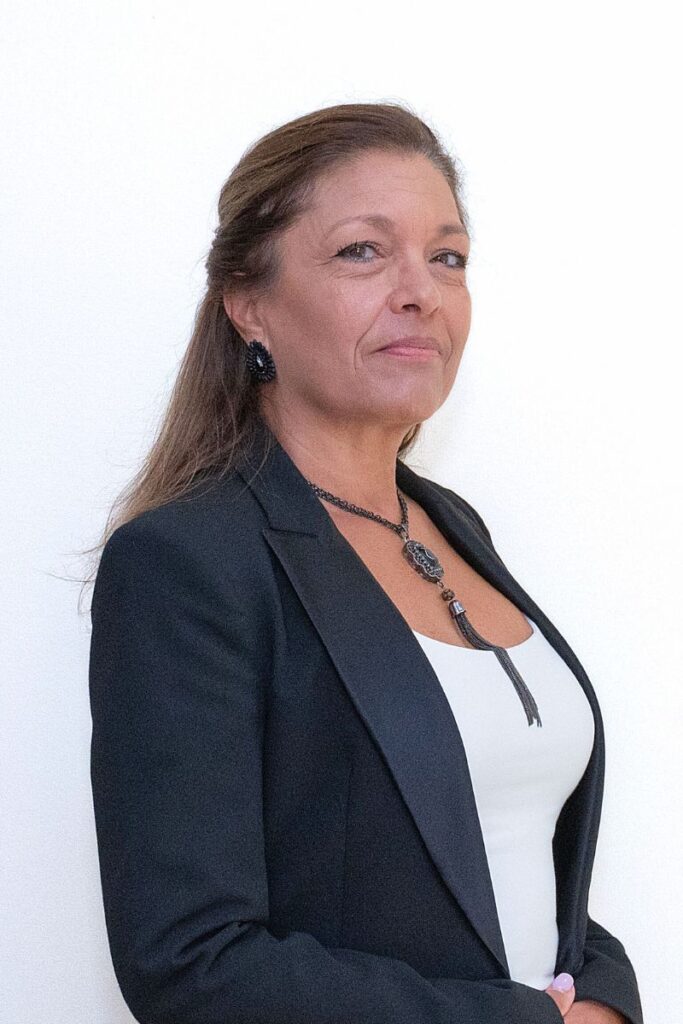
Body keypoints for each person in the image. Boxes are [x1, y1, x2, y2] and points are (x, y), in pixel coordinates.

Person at [87, 102, 643, 1024]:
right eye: (361, 251)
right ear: (248, 305)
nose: (420, 291)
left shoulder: (453, 526)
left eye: (447, 257)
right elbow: (189, 962)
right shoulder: (187, 562)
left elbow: (520, 868)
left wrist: (606, 1000)